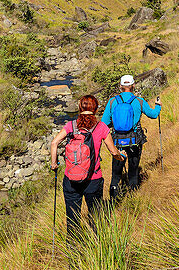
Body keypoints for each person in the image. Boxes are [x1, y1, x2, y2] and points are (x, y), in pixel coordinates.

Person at [49, 94, 124, 237]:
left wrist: (54, 164)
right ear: (95, 109)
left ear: (79, 108)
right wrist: (121, 157)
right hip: (93, 180)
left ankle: (73, 249)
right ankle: (96, 244)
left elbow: (54, 143)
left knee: (72, 218)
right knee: (95, 215)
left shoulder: (71, 125)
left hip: (71, 179)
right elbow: (113, 151)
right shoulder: (101, 127)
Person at [101, 74, 161, 201]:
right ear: (133, 85)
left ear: (121, 86)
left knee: (116, 173)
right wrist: (158, 105)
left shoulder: (112, 102)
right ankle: (133, 198)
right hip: (135, 140)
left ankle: (113, 200)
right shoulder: (139, 101)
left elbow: (104, 123)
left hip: (117, 141)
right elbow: (153, 114)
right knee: (133, 171)